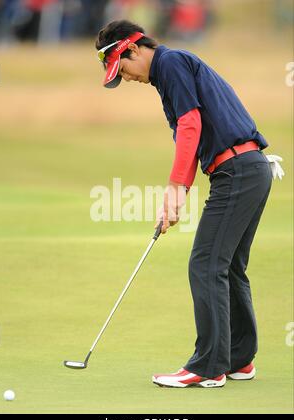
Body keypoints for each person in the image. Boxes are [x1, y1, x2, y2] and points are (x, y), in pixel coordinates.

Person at [95, 20, 284, 388]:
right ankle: (238, 359)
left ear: (133, 49)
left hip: (239, 170)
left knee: (205, 264)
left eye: (125, 68)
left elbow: (191, 124)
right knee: (227, 268)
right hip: (248, 168)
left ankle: (210, 365)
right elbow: (192, 136)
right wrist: (177, 196)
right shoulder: (168, 75)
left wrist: (176, 188)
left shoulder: (170, 63)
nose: (128, 79)